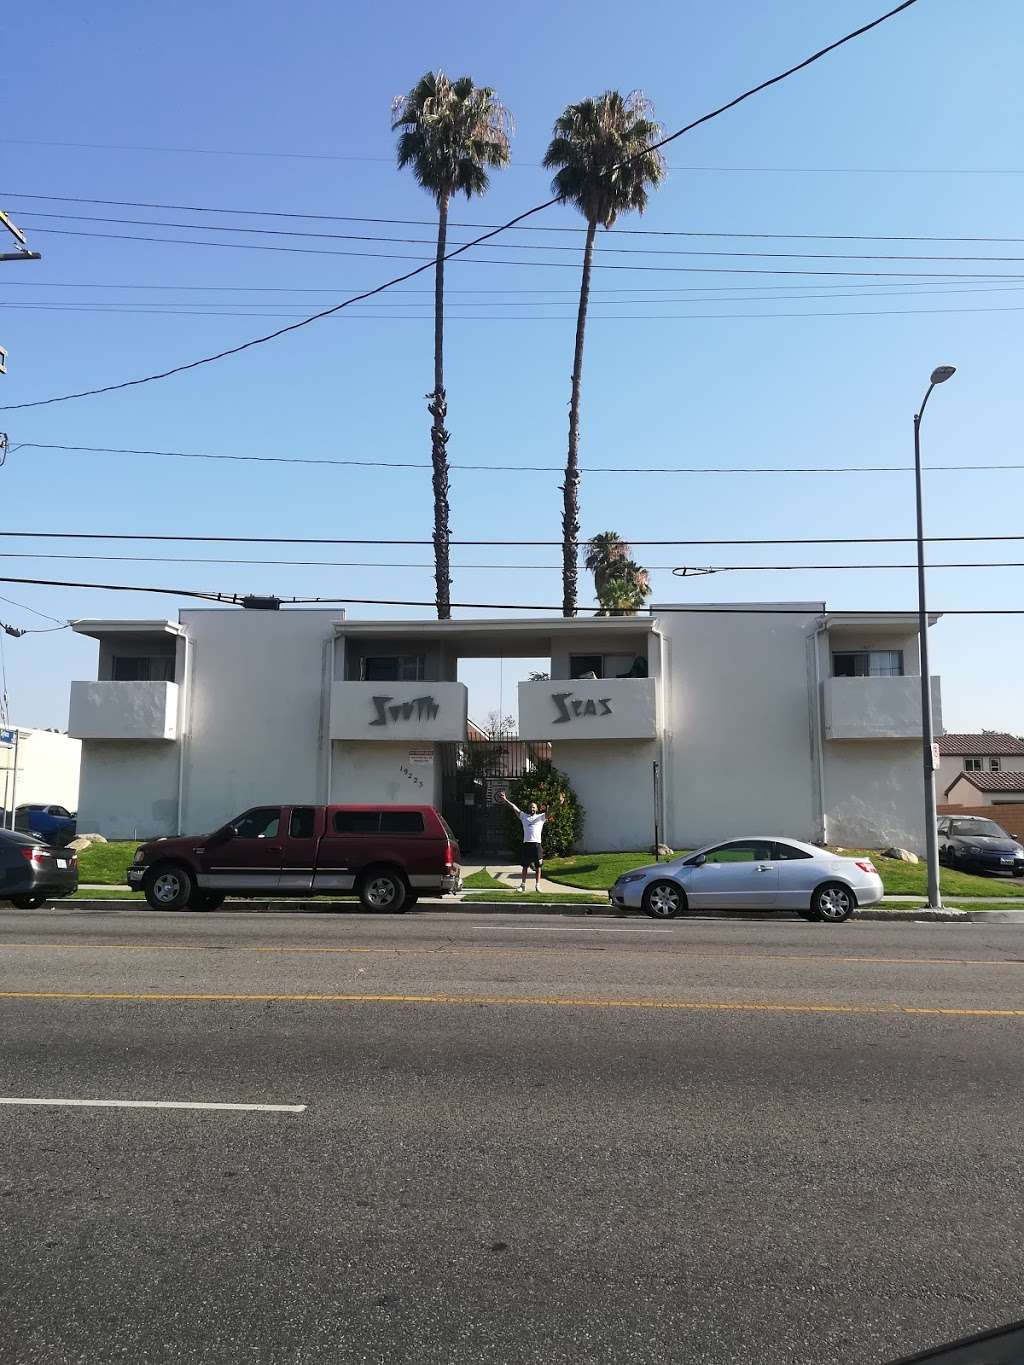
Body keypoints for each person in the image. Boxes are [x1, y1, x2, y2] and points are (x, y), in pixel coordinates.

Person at [499, 790, 562, 893]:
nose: (532, 808)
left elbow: (551, 811)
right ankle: (523, 885)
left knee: (538, 866)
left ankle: (537, 885)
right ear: (529, 808)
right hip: (527, 845)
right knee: (525, 866)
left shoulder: (541, 817)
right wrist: (505, 799)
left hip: (537, 846)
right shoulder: (524, 816)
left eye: (534, 807)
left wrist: (559, 803)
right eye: (531, 807)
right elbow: (514, 807)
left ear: (536, 809)